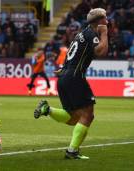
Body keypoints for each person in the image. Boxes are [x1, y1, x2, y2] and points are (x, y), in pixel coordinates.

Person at [34, 8, 108, 159]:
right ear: (99, 21)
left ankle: (47, 110)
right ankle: (72, 151)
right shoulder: (92, 34)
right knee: (88, 115)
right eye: (105, 19)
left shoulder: (81, 34)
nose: (107, 21)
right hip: (75, 76)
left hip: (64, 75)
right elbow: (101, 52)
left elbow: (71, 55)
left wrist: (64, 70)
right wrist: (104, 33)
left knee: (73, 118)